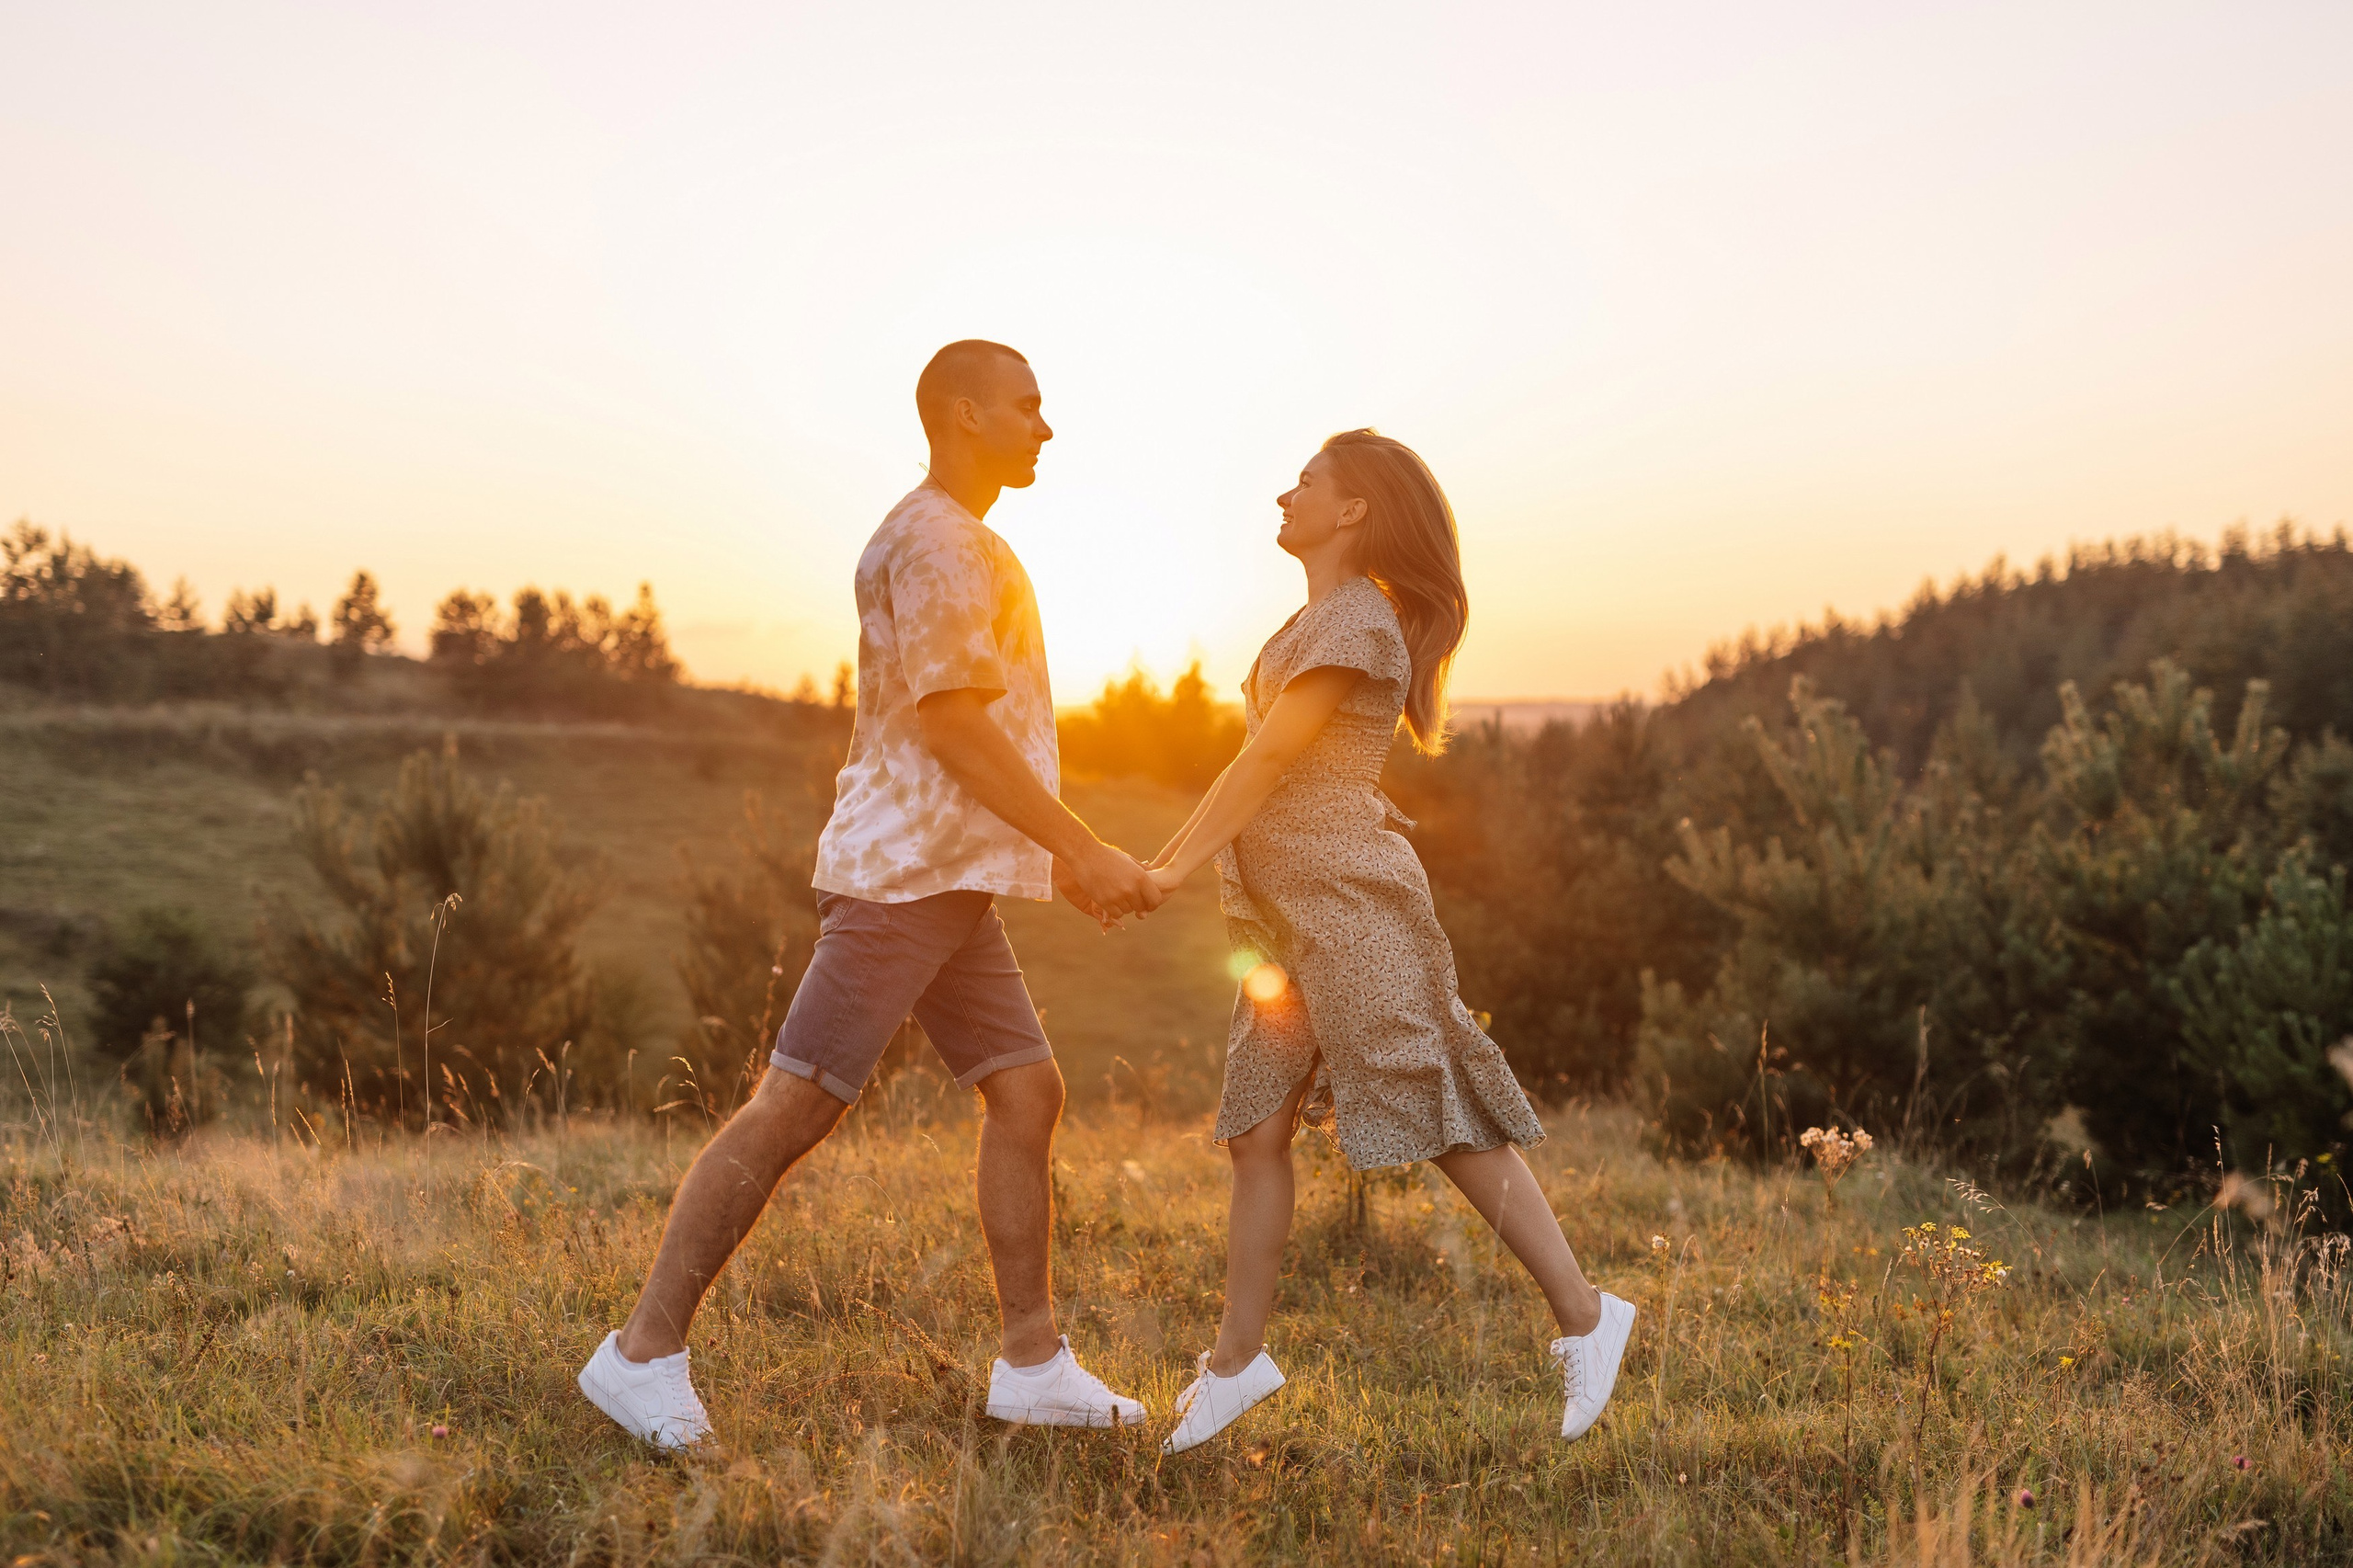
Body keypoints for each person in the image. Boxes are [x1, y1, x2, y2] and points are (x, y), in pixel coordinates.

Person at [578, 340, 1163, 1449]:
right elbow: (951, 723)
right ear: (963, 412)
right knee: (796, 1102)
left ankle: (1032, 1363)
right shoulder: (940, 542)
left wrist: (1045, 860)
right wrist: (1081, 850)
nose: (1046, 426)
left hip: (946, 882)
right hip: (900, 884)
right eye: (1028, 406)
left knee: (1027, 1093)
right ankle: (642, 1349)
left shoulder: (956, 536)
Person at [1143, 429, 1635, 1456]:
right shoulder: (1317, 616)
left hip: (1354, 906)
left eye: (1307, 481)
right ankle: (1236, 1363)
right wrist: (1185, 869)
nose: (1285, 493)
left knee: (1429, 1099)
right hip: (1291, 919)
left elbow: (1269, 757)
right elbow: (1261, 758)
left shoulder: (1360, 620)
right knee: (1256, 1130)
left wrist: (1165, 868)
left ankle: (1589, 1316)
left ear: (1354, 508)